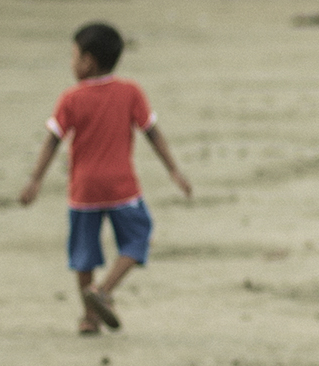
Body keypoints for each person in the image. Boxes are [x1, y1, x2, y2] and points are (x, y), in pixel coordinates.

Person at [18, 21, 191, 336]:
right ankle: (105, 289)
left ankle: (89, 318)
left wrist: (35, 180)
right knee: (138, 237)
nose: (71, 63)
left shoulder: (71, 99)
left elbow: (52, 141)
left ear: (88, 62)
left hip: (83, 190)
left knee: (84, 255)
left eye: (73, 57)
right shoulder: (130, 92)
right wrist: (174, 170)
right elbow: (152, 133)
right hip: (121, 187)